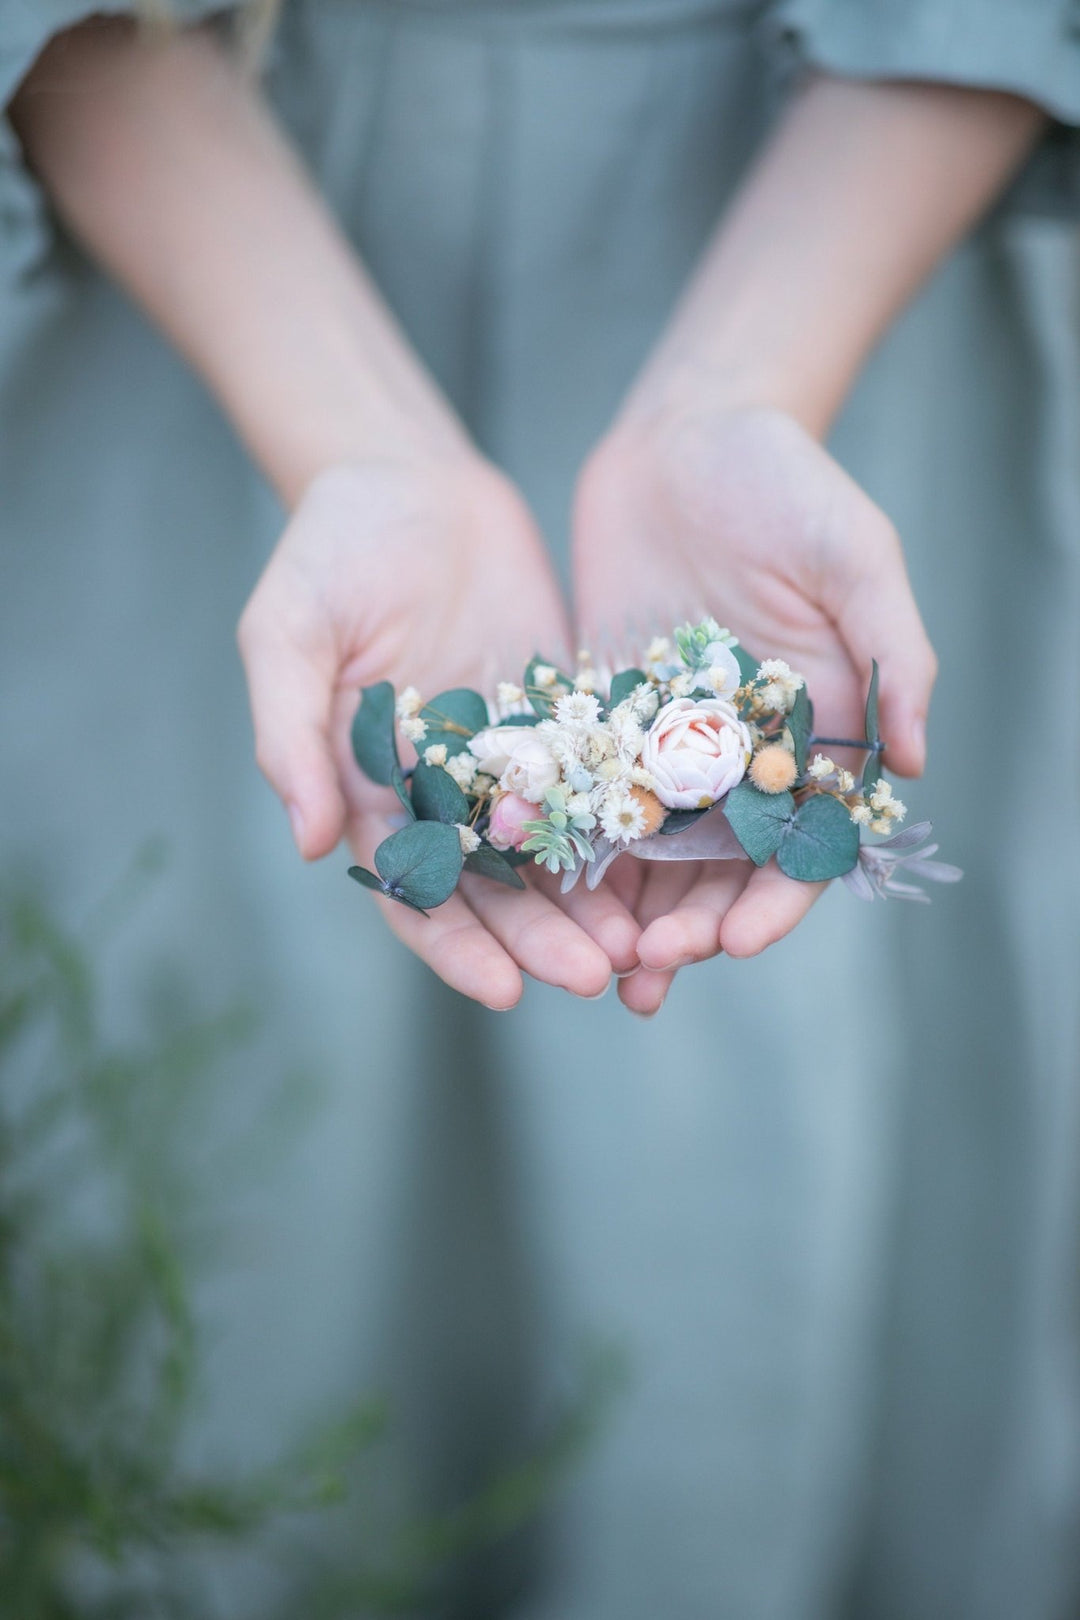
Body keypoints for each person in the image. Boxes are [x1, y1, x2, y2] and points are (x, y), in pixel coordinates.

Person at [3, 2, 1079, 1614]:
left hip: (845, 258)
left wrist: (745, 391)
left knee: (766, 1196)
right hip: (199, 295)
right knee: (235, 1184)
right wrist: (352, 440)